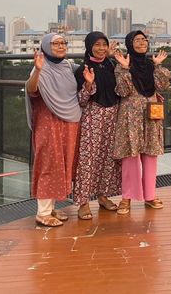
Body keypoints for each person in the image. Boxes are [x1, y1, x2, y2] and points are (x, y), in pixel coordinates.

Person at [26, 33, 82, 227]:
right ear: (46, 47)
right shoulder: (42, 67)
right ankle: (42, 213)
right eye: (55, 43)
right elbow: (31, 90)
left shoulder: (67, 66)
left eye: (63, 43)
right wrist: (38, 71)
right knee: (49, 162)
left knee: (63, 163)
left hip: (69, 121)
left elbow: (87, 70)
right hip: (48, 121)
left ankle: (50, 208)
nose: (60, 46)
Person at [112, 30, 170, 215]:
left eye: (144, 40)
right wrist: (125, 68)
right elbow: (123, 91)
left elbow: (162, 86)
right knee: (130, 155)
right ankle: (127, 197)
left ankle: (150, 195)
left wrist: (159, 66)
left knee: (150, 153)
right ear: (129, 44)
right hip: (130, 114)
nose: (141, 43)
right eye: (137, 40)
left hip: (151, 112)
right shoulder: (122, 64)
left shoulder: (150, 64)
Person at [74, 31, 122, 220]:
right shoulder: (83, 69)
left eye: (104, 44)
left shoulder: (111, 66)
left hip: (113, 117)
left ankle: (103, 196)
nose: (101, 48)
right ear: (89, 46)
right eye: (97, 45)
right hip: (92, 118)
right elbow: (81, 101)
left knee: (108, 159)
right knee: (88, 160)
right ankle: (83, 203)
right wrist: (88, 85)